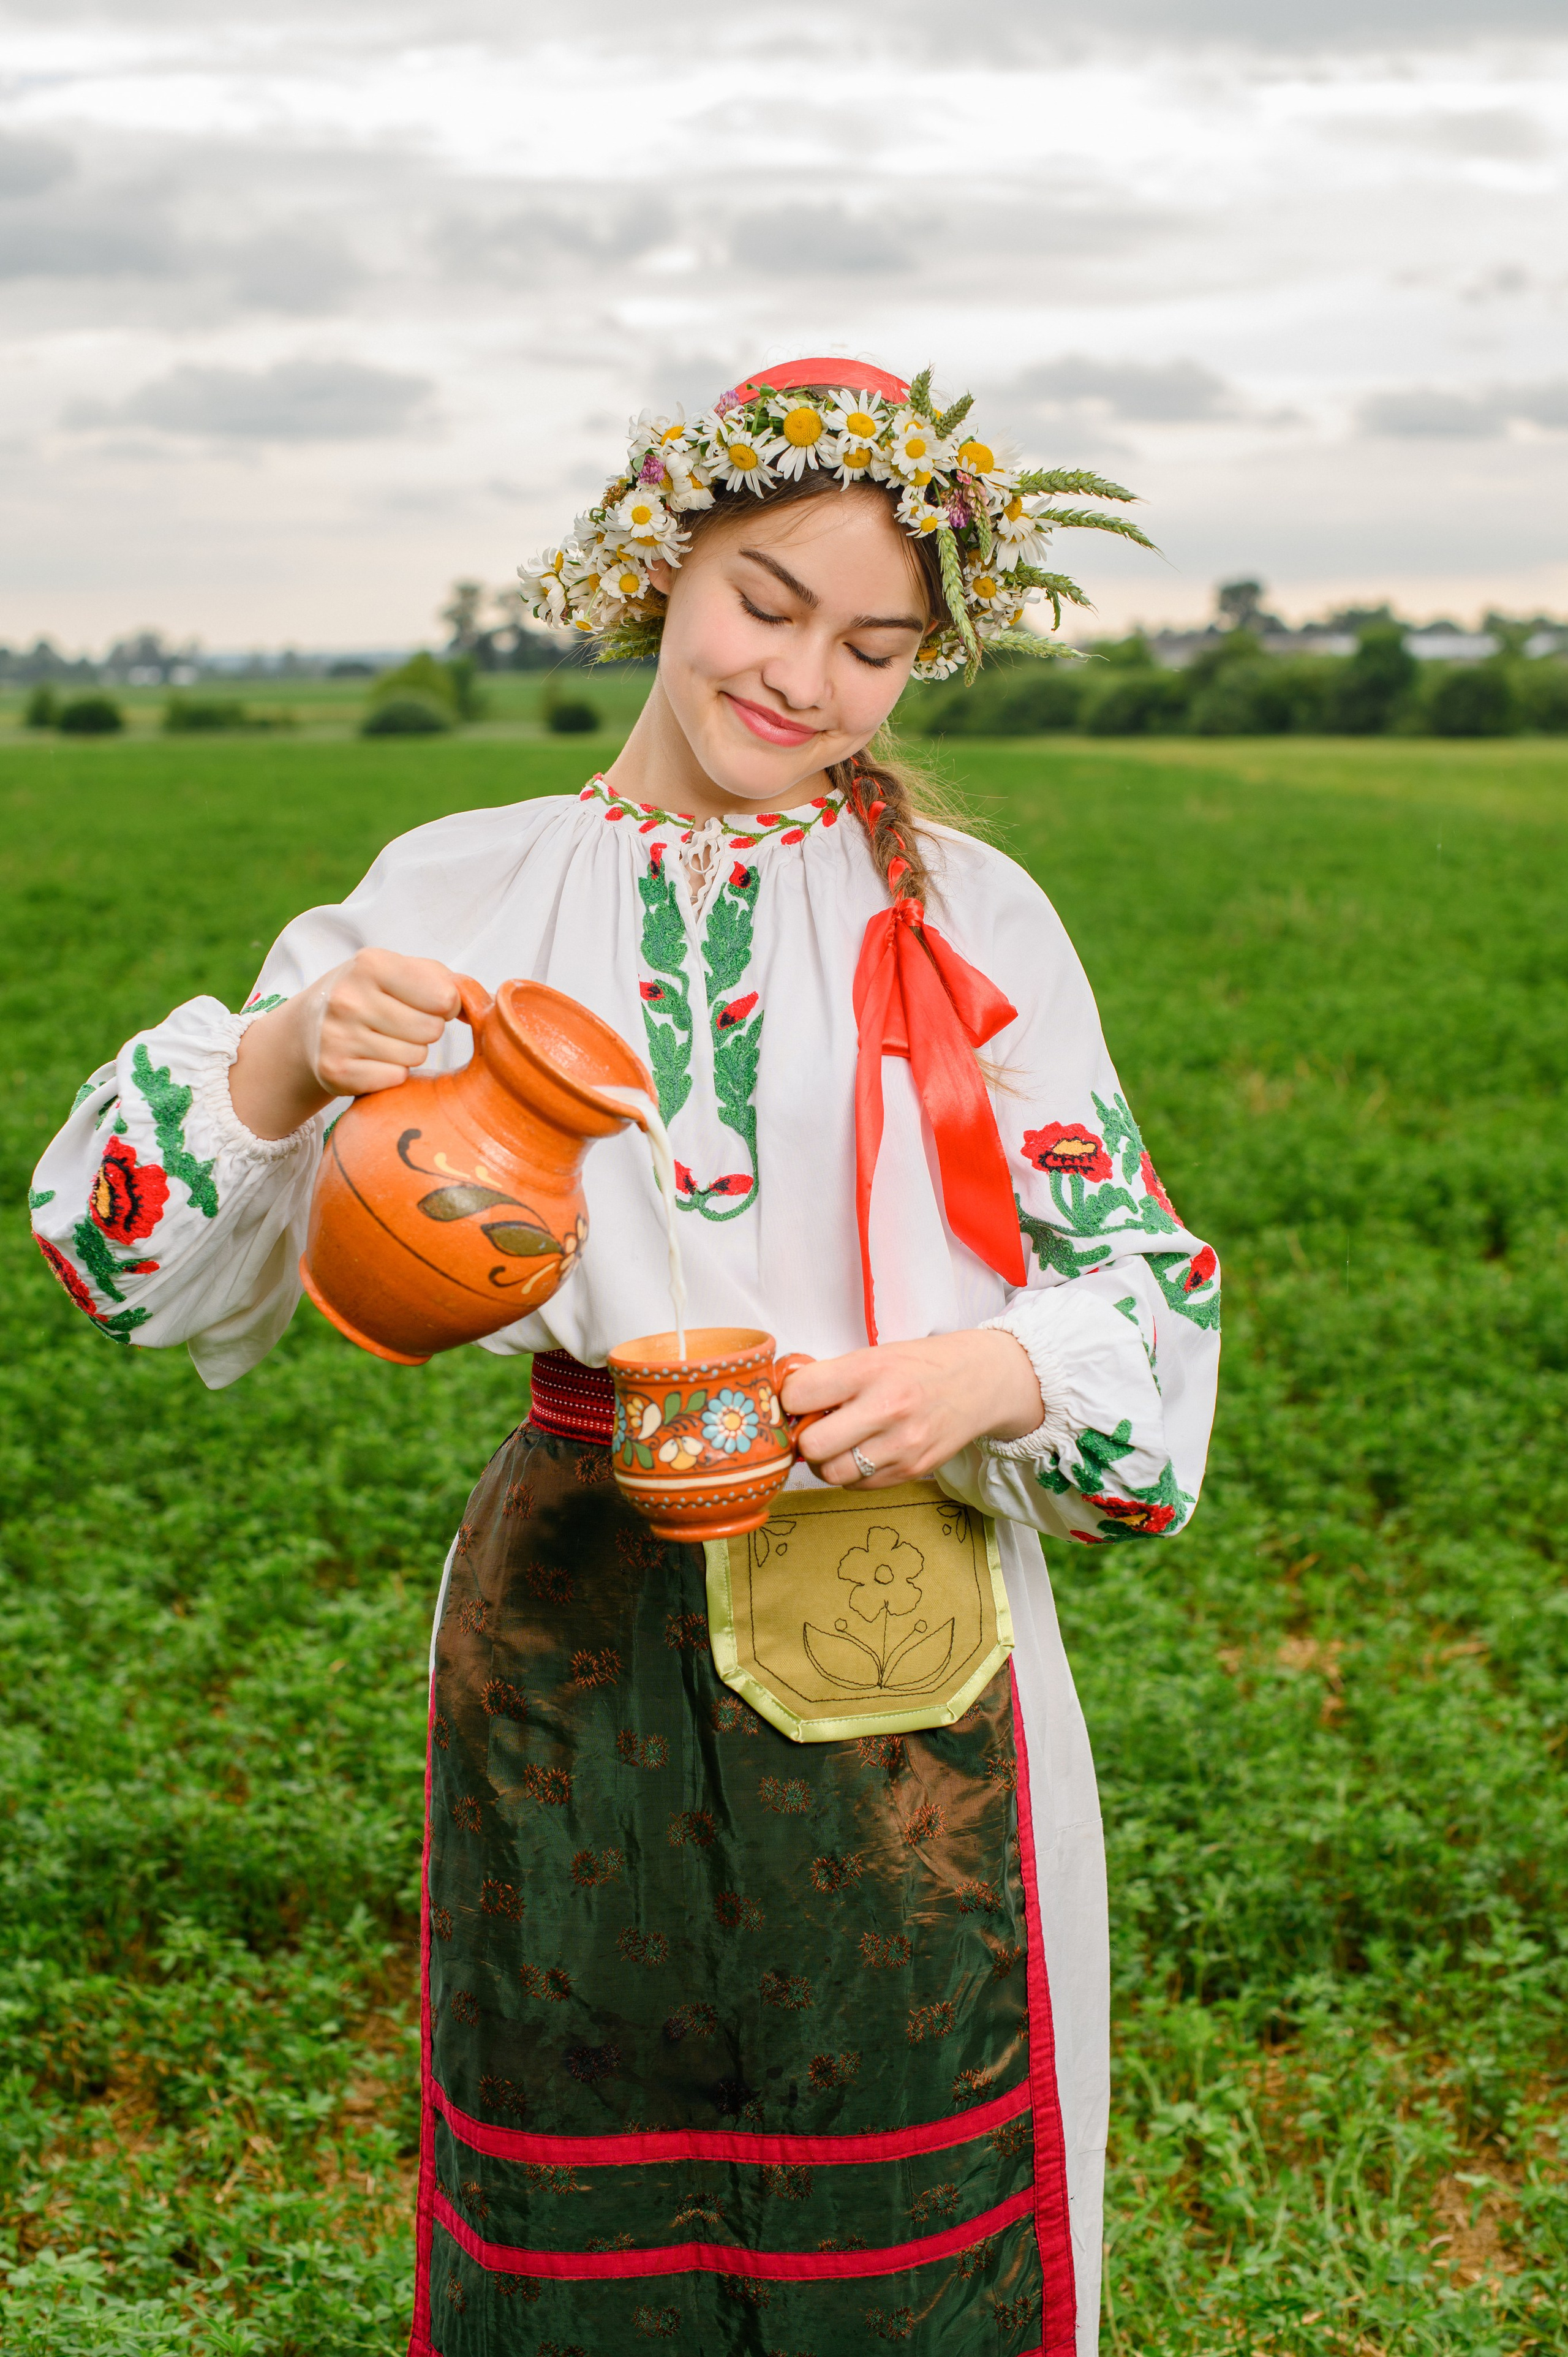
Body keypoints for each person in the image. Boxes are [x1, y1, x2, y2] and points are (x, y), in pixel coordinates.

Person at [31, 360, 1220, 2357]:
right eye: (768, 601)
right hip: (570, 1630)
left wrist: (991, 1373)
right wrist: (288, 1053)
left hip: (900, 1614)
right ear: (661, 564)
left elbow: (1145, 1287)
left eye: (876, 645)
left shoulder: (977, 918)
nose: (808, 680)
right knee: (585, 2194)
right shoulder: (461, 887)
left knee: (919, 2200)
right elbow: (129, 1264)